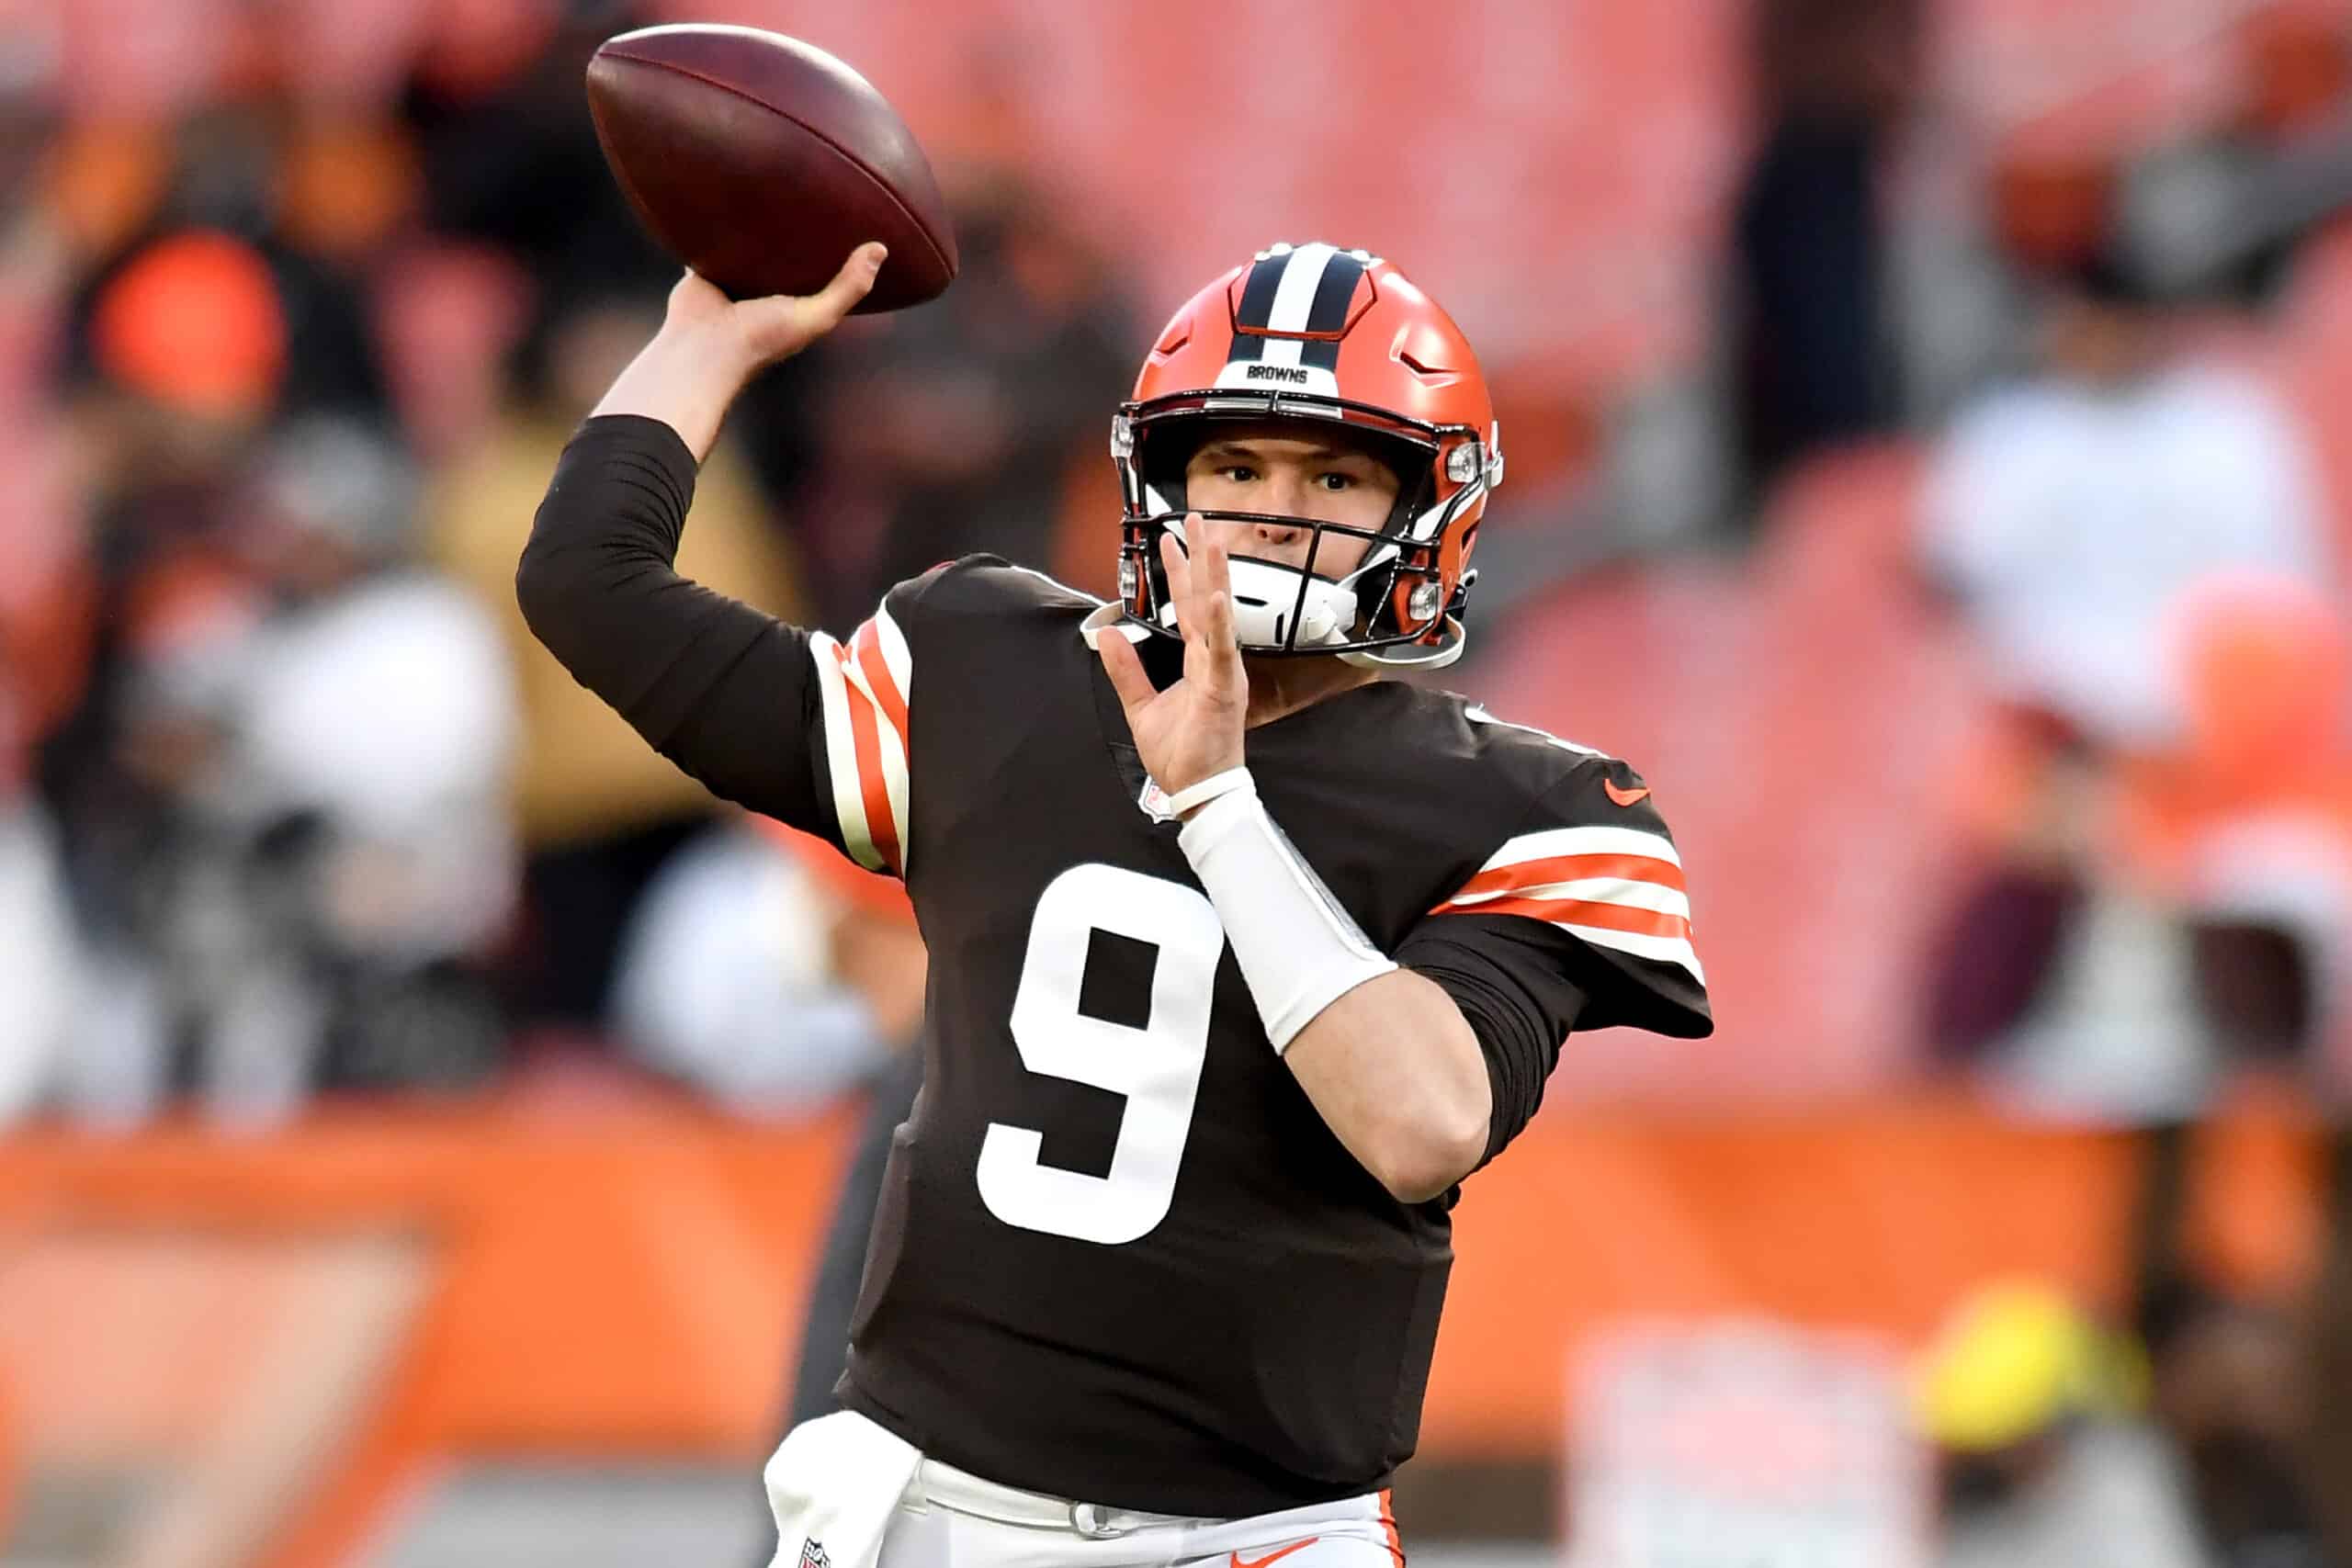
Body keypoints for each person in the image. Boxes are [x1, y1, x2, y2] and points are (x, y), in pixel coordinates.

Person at [518, 238, 1712, 1568]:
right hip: (928, 1506)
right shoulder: (990, 666)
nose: (1274, 509)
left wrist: (1219, 807)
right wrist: (705, 344)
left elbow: (1422, 1123)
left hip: (1255, 1538)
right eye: (1235, 467)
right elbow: (592, 588)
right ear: (1162, 484)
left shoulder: (1528, 806)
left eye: (1335, 474)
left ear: (1428, 511)